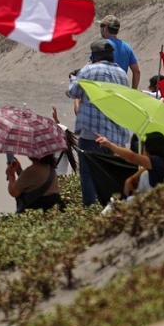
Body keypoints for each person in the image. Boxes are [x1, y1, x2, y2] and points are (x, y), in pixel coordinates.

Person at [67, 40, 130, 206]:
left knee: (88, 174)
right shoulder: (122, 74)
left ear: (94, 55)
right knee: (108, 173)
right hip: (115, 136)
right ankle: (108, 208)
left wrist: (74, 78)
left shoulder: (88, 70)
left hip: (91, 134)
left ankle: (90, 210)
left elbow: (74, 92)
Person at [94, 132, 164, 197]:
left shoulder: (156, 161)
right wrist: (130, 179)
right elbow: (138, 171)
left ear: (149, 149)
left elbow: (132, 157)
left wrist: (110, 145)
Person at [98, 15, 140, 89]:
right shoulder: (127, 47)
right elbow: (136, 72)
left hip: (104, 91)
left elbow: (91, 69)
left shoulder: (100, 46)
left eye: (101, 26)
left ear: (105, 28)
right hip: (121, 92)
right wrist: (134, 91)